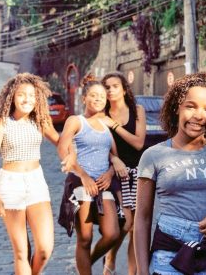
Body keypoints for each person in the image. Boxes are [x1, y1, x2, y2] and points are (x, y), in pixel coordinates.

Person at [134, 72, 206, 275]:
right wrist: (142, 271)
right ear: (177, 107)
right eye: (191, 106)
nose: (199, 115)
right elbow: (142, 218)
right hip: (170, 254)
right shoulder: (153, 156)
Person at [0, 73, 75, 274]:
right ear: (12, 96)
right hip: (10, 185)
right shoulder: (1, 124)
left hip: (36, 182)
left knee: (45, 249)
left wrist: (72, 154)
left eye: (31, 95)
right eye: (21, 94)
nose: (27, 99)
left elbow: (62, 142)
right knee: (21, 252)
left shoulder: (40, 122)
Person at [57, 76, 126, 275]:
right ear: (85, 97)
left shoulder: (106, 125)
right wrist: (83, 175)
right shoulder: (76, 121)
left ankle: (86, 262)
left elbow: (113, 155)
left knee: (112, 233)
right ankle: (85, 269)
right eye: (93, 95)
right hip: (80, 183)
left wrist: (111, 172)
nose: (98, 99)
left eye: (102, 97)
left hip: (103, 184)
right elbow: (63, 149)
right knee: (85, 238)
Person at [100, 72, 146, 275]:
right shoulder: (101, 114)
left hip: (140, 172)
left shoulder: (137, 110)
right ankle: (110, 258)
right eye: (107, 87)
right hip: (116, 174)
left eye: (114, 86)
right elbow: (98, 145)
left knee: (137, 229)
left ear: (124, 89)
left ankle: (131, 272)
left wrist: (115, 126)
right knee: (126, 224)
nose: (110, 90)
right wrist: (113, 158)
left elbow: (139, 143)